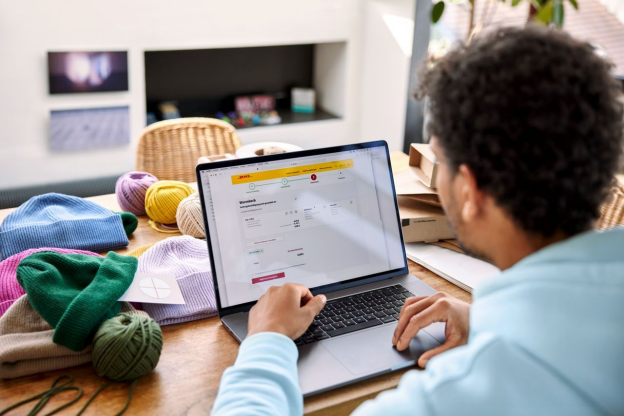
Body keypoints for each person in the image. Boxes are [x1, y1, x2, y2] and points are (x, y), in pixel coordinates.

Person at [212, 26, 624, 415]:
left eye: (438, 160)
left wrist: (267, 340)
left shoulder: (459, 394)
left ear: (469, 189)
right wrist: (482, 318)